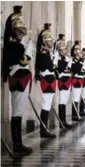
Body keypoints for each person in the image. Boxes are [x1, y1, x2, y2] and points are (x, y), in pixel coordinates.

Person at [2, 5, 33, 155]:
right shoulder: (12, 46)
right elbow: (17, 62)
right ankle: (16, 144)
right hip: (19, 80)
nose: (22, 34)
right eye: (19, 32)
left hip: (22, 79)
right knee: (17, 113)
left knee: (19, 112)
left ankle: (19, 143)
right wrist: (27, 55)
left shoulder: (17, 45)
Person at [35, 23, 57, 138]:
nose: (52, 42)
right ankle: (43, 130)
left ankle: (45, 129)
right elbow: (48, 66)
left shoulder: (48, 53)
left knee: (47, 105)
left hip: (51, 79)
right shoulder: (43, 54)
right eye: (49, 41)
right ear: (44, 41)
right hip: (47, 79)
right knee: (46, 105)